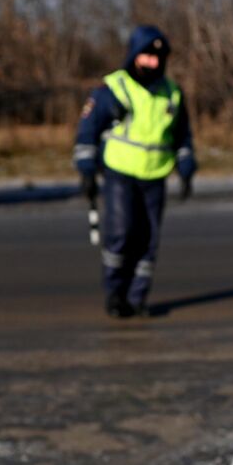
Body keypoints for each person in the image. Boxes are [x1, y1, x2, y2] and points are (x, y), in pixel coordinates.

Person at [73, 25, 197, 318]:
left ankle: (137, 297)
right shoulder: (113, 88)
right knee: (122, 234)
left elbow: (182, 136)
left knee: (148, 239)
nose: (152, 63)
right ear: (134, 55)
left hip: (155, 176)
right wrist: (87, 171)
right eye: (146, 56)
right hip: (120, 174)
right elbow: (87, 131)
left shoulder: (172, 93)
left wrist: (187, 168)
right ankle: (115, 294)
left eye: (158, 58)